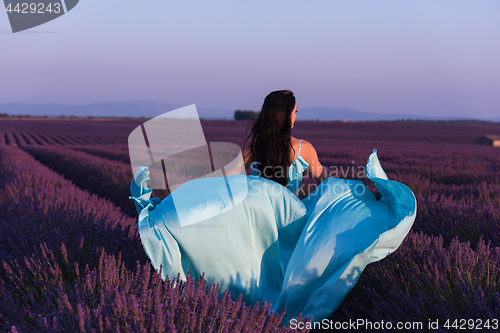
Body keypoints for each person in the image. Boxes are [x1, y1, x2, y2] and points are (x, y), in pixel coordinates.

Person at [129, 91, 416, 324]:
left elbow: (228, 180)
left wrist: (184, 193)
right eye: (294, 111)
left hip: (258, 209)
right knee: (291, 263)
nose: (296, 116)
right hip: (286, 211)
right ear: (286, 115)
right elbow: (325, 180)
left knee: (253, 262)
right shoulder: (302, 147)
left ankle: (241, 311)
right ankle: (280, 310)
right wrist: (355, 193)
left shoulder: (255, 147)